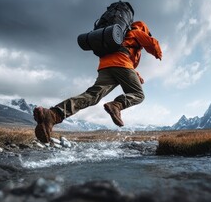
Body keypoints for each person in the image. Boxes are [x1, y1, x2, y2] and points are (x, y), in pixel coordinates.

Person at [33, 21, 162, 143]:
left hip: (106, 66)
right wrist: (158, 52)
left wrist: (136, 75)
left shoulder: (122, 37)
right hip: (122, 64)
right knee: (138, 94)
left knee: (92, 96)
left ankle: (52, 115)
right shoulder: (136, 31)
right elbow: (150, 43)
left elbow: (125, 56)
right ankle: (116, 105)